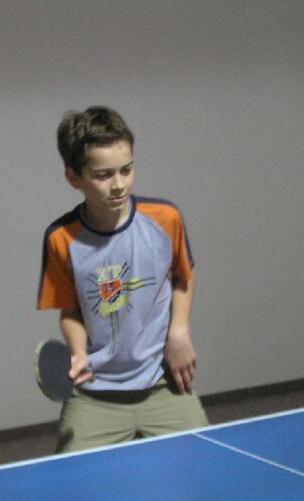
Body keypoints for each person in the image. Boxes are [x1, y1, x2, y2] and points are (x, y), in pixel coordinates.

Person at [37, 106, 208, 453]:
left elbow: (184, 277)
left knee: (206, 463)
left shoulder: (165, 219)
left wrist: (179, 332)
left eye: (126, 170)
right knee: (73, 478)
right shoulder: (61, 239)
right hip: (95, 395)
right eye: (103, 175)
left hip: (162, 384)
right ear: (74, 177)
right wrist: (78, 353)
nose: (118, 185)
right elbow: (70, 311)